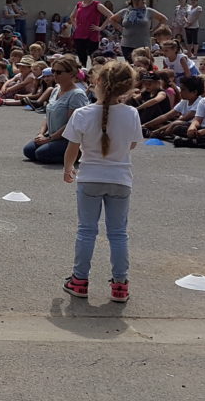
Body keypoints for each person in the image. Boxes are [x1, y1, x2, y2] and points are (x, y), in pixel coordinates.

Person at [61, 60, 142, 303]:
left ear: (96, 83)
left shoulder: (82, 114)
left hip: (90, 177)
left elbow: (72, 149)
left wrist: (67, 168)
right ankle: (120, 284)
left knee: (87, 230)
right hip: (120, 179)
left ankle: (79, 280)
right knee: (118, 233)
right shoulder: (132, 113)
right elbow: (133, 144)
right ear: (127, 88)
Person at [21, 57, 90, 163]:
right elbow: (47, 114)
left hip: (68, 139)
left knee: (41, 154)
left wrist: (50, 139)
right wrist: (41, 134)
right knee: (29, 151)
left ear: (71, 74)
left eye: (59, 72)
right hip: (53, 135)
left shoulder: (77, 95)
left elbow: (71, 124)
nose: (55, 75)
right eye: (53, 71)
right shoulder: (55, 90)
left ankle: (77, 155)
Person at [69, 0, 114, 67]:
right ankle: (84, 75)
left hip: (92, 35)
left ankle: (95, 74)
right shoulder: (79, 4)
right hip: (79, 35)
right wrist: (76, 27)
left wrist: (101, 28)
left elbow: (110, 15)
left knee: (94, 57)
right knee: (82, 58)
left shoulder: (96, 4)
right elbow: (72, 17)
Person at [174, 75, 205, 148]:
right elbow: (197, 119)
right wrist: (192, 126)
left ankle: (194, 142)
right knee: (178, 128)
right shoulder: (204, 101)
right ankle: (198, 141)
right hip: (204, 129)